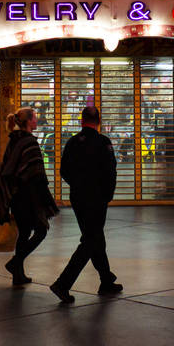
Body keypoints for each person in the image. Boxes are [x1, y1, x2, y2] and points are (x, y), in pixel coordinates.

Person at [50, 105, 121, 304]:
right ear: (99, 121)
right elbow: (111, 173)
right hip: (97, 199)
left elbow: (64, 170)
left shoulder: (73, 142)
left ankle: (106, 279)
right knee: (91, 240)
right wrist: (106, 195)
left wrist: (77, 185)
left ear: (82, 121)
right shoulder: (103, 142)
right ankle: (62, 284)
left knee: (95, 237)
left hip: (78, 198)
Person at [0, 107, 58, 286]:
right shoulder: (30, 142)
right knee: (41, 231)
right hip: (29, 197)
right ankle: (15, 263)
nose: (37, 120)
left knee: (24, 233)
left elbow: (6, 170)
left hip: (16, 197)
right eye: (35, 118)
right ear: (29, 121)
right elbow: (37, 174)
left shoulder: (13, 141)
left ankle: (18, 275)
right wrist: (48, 199)